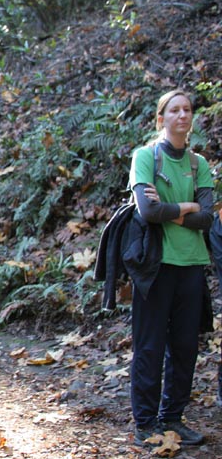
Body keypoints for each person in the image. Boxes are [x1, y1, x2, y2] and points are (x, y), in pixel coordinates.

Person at [128, 89, 212, 447]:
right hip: (156, 267)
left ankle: (173, 418)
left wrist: (171, 210)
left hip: (192, 266)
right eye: (174, 110)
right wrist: (187, 208)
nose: (182, 115)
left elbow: (207, 219)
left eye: (187, 109)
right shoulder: (145, 157)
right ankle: (146, 423)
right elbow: (147, 212)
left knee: (184, 348)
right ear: (161, 119)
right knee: (149, 346)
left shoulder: (199, 164)